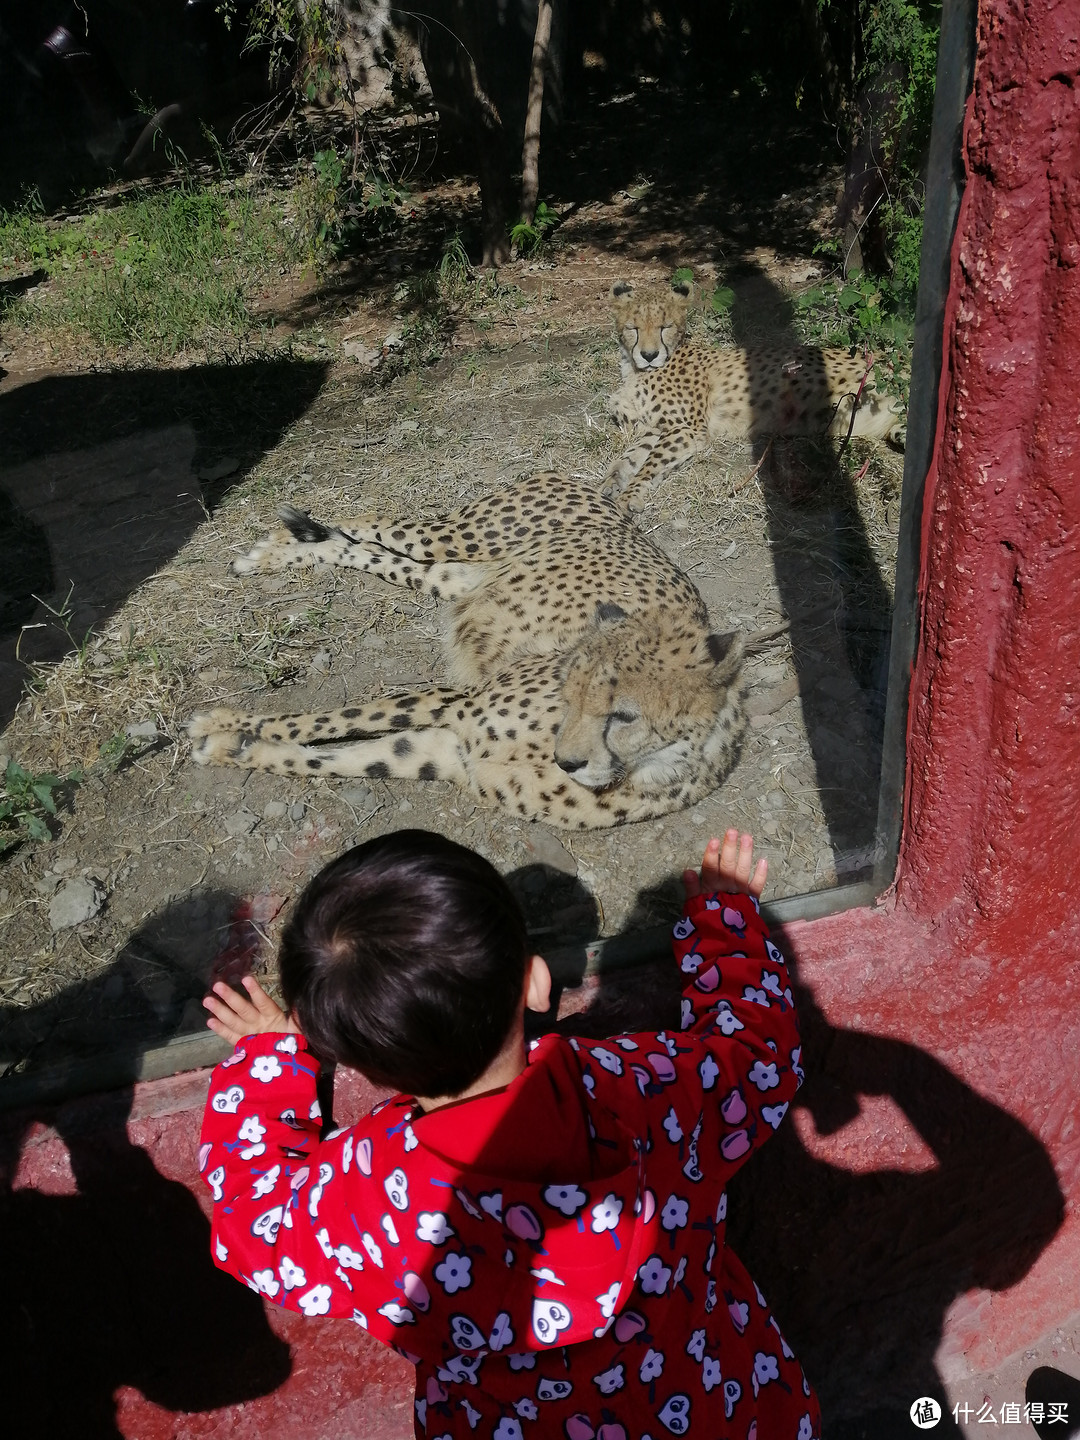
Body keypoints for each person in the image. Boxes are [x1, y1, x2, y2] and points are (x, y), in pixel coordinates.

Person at [199, 828, 820, 1440]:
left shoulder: (359, 1199)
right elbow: (757, 1057)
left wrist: (270, 1062)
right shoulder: (638, 1093)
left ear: (356, 1061)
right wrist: (727, 922)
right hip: (713, 1404)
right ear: (536, 981)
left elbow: (252, 1218)